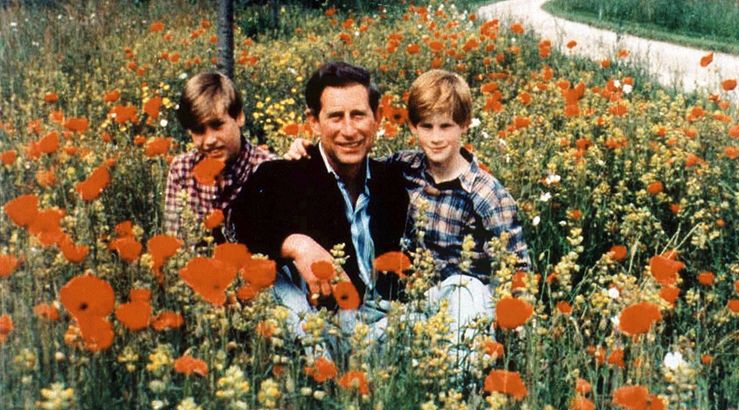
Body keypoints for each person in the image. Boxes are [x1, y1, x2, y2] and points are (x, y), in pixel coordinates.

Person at [287, 69, 530, 351]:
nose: (436, 138)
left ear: (464, 125)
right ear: (413, 127)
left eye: (446, 126)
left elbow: (518, 267)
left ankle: (461, 373)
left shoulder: (487, 194)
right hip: (410, 304)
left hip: (464, 309)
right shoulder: (403, 168)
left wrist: (516, 328)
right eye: (427, 126)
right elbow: (358, 164)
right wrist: (305, 150)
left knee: (467, 288)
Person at [229, 61, 410, 341]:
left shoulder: (391, 180)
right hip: (324, 329)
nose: (348, 130)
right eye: (336, 117)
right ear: (314, 122)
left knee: (465, 287)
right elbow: (238, 230)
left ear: (377, 117)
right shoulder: (283, 176)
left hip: (388, 325)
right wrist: (296, 244)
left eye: (358, 115)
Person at [163, 71, 274, 240]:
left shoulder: (268, 169)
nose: (209, 141)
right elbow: (174, 241)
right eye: (199, 130)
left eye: (217, 126)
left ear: (239, 117)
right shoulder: (182, 169)